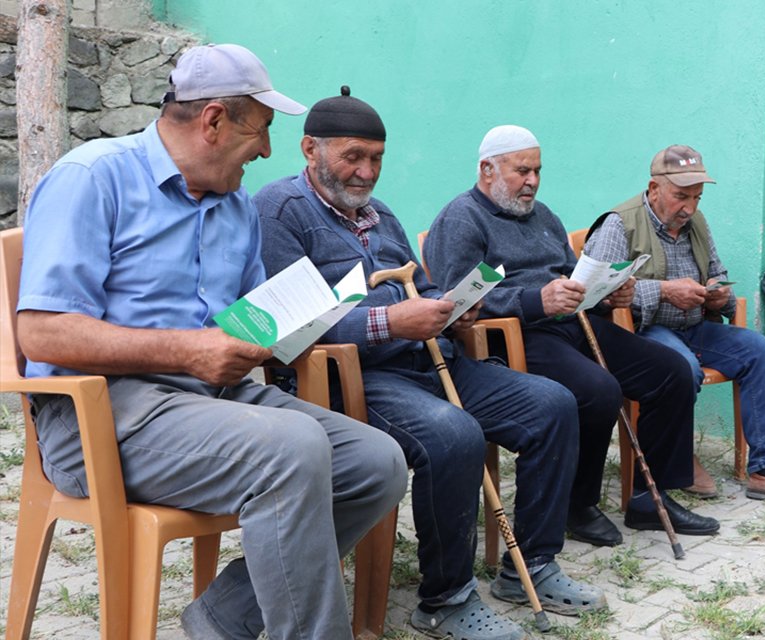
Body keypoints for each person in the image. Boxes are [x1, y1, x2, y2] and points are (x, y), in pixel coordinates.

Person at [15, 45, 406, 640]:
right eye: (263, 128)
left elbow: (248, 320)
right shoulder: (93, 177)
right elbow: (42, 330)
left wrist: (284, 327)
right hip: (100, 417)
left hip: (214, 403)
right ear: (214, 120)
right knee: (292, 448)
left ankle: (226, 617)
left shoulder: (237, 207)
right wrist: (189, 350)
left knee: (377, 463)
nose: (269, 151)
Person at [253, 92, 603, 639]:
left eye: (377, 158)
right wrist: (391, 322)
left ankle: (528, 565)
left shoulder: (380, 213)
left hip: (428, 357)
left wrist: (451, 308)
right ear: (309, 149)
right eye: (353, 157)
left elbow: (421, 282)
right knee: (453, 433)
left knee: (553, 404)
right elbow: (291, 326)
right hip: (353, 377)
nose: (366, 171)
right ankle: (444, 599)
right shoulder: (279, 211)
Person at [424, 125, 719, 548]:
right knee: (599, 389)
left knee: (670, 369)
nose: (532, 181)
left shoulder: (543, 216)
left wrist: (604, 293)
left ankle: (648, 500)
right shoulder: (461, 219)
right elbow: (456, 301)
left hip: (571, 322)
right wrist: (534, 300)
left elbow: (572, 275)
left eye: (537, 171)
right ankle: (577, 504)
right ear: (487, 169)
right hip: (515, 336)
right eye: (522, 171)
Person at [582, 144, 765, 502]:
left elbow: (718, 274)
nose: (690, 207)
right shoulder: (620, 224)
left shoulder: (696, 222)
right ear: (654, 189)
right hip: (644, 331)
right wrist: (664, 292)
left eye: (696, 197)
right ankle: (679, 457)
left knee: (759, 349)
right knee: (681, 366)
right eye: (681, 196)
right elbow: (598, 295)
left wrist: (718, 295)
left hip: (695, 326)